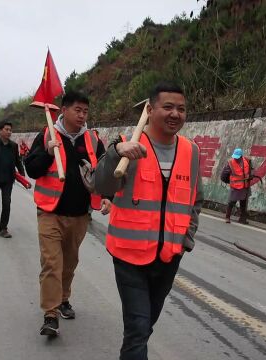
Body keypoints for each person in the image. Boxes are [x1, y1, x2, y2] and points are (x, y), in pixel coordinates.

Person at [94, 82, 204, 360]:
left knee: (143, 327)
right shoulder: (127, 143)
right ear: (150, 109)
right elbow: (99, 184)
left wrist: (186, 239)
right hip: (129, 257)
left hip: (169, 256)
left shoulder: (191, 152)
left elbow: (195, 200)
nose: (175, 114)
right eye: (167, 107)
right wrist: (116, 153)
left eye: (181, 109)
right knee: (139, 325)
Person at [24, 90, 111, 337]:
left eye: (85, 111)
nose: (82, 115)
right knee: (52, 262)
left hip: (80, 215)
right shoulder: (47, 135)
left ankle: (63, 299)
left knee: (69, 263)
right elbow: (31, 168)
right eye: (77, 110)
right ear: (64, 110)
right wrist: (47, 153)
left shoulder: (93, 140)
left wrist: (107, 196)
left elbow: (103, 173)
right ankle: (50, 314)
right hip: (50, 212)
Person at [220, 148, 253, 224]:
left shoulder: (247, 161)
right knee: (231, 202)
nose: (236, 158)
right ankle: (227, 217)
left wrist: (251, 176)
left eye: (237, 157)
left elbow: (251, 170)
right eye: (235, 157)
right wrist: (228, 181)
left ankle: (242, 219)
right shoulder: (230, 163)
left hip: (245, 185)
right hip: (235, 186)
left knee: (243, 203)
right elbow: (223, 175)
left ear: (241, 156)